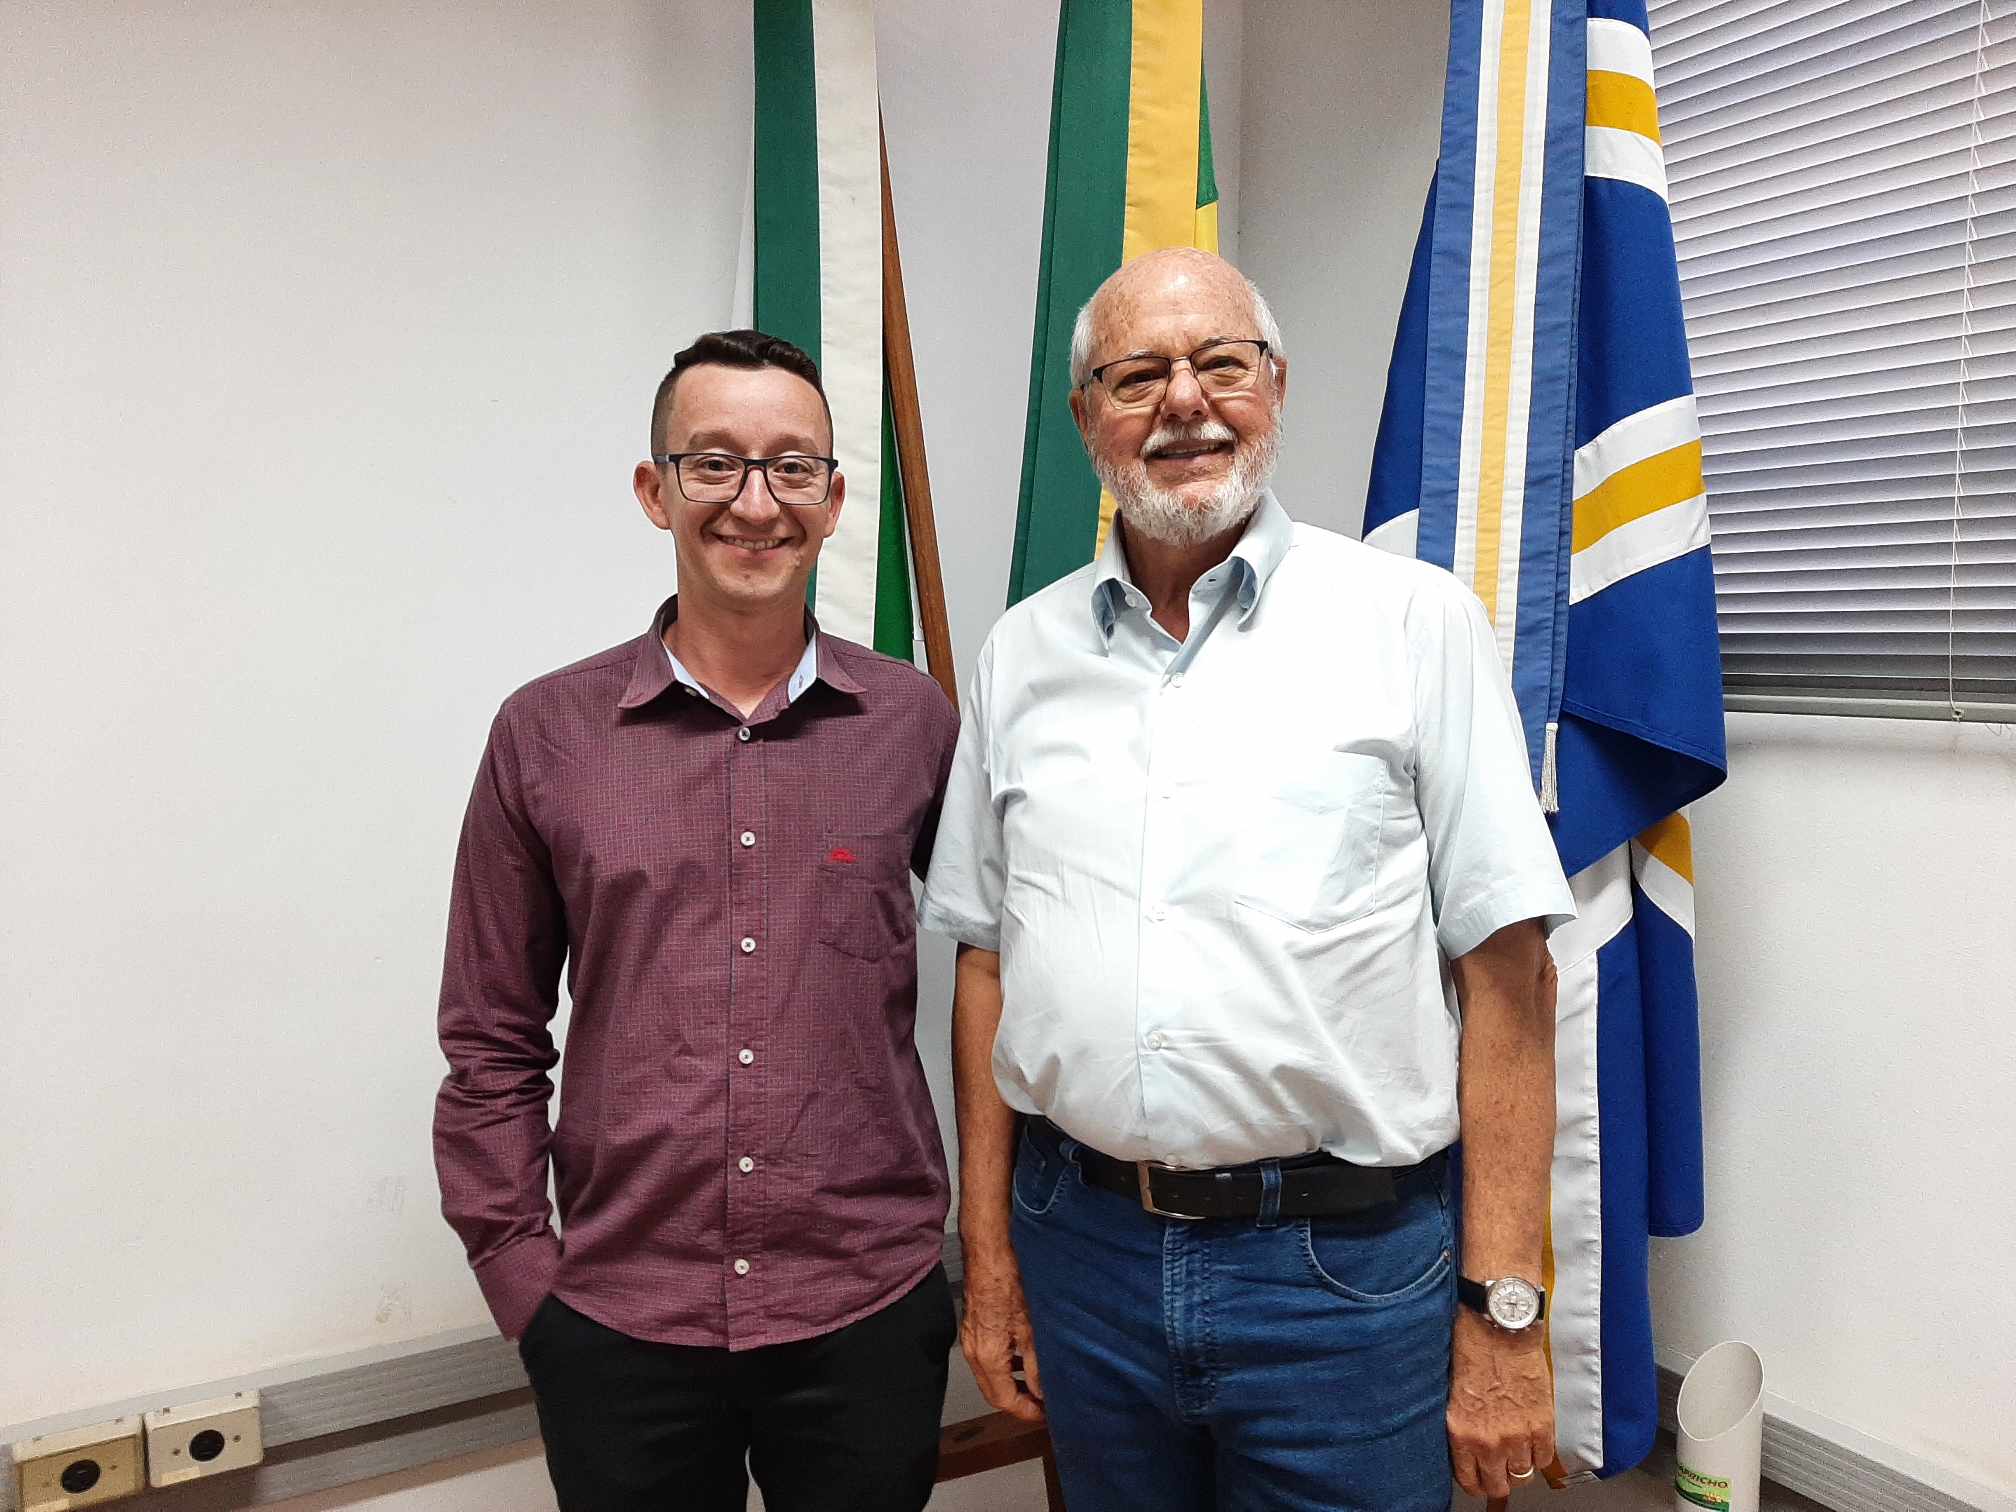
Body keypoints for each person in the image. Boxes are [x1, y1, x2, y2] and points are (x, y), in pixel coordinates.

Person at [919, 249, 1575, 1511]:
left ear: (1275, 385)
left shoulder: (1413, 622)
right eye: (1137, 376)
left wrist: (1506, 1311)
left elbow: (1510, 975)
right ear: (1086, 418)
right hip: (1084, 1252)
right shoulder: (1021, 654)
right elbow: (987, 960)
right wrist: (989, 1263)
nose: (1184, 401)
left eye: (1220, 363)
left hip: (1338, 1278)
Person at [432, 329, 960, 1512]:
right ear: (654, 489)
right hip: (621, 1322)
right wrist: (521, 1275)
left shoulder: (914, 725)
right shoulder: (546, 735)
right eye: (714, 462)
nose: (754, 503)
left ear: (833, 501)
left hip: (865, 1307)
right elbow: (490, 1036)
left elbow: (1002, 970)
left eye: (791, 467)